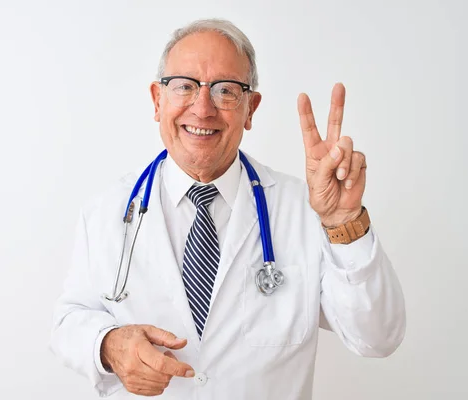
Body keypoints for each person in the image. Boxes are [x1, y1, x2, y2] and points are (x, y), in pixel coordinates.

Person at [50, 19, 406, 399]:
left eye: (225, 91)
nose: (202, 109)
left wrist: (344, 222)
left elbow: (378, 336)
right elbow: (69, 322)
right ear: (158, 100)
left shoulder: (304, 212)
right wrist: (108, 345)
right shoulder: (106, 212)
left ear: (251, 108)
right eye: (184, 86)